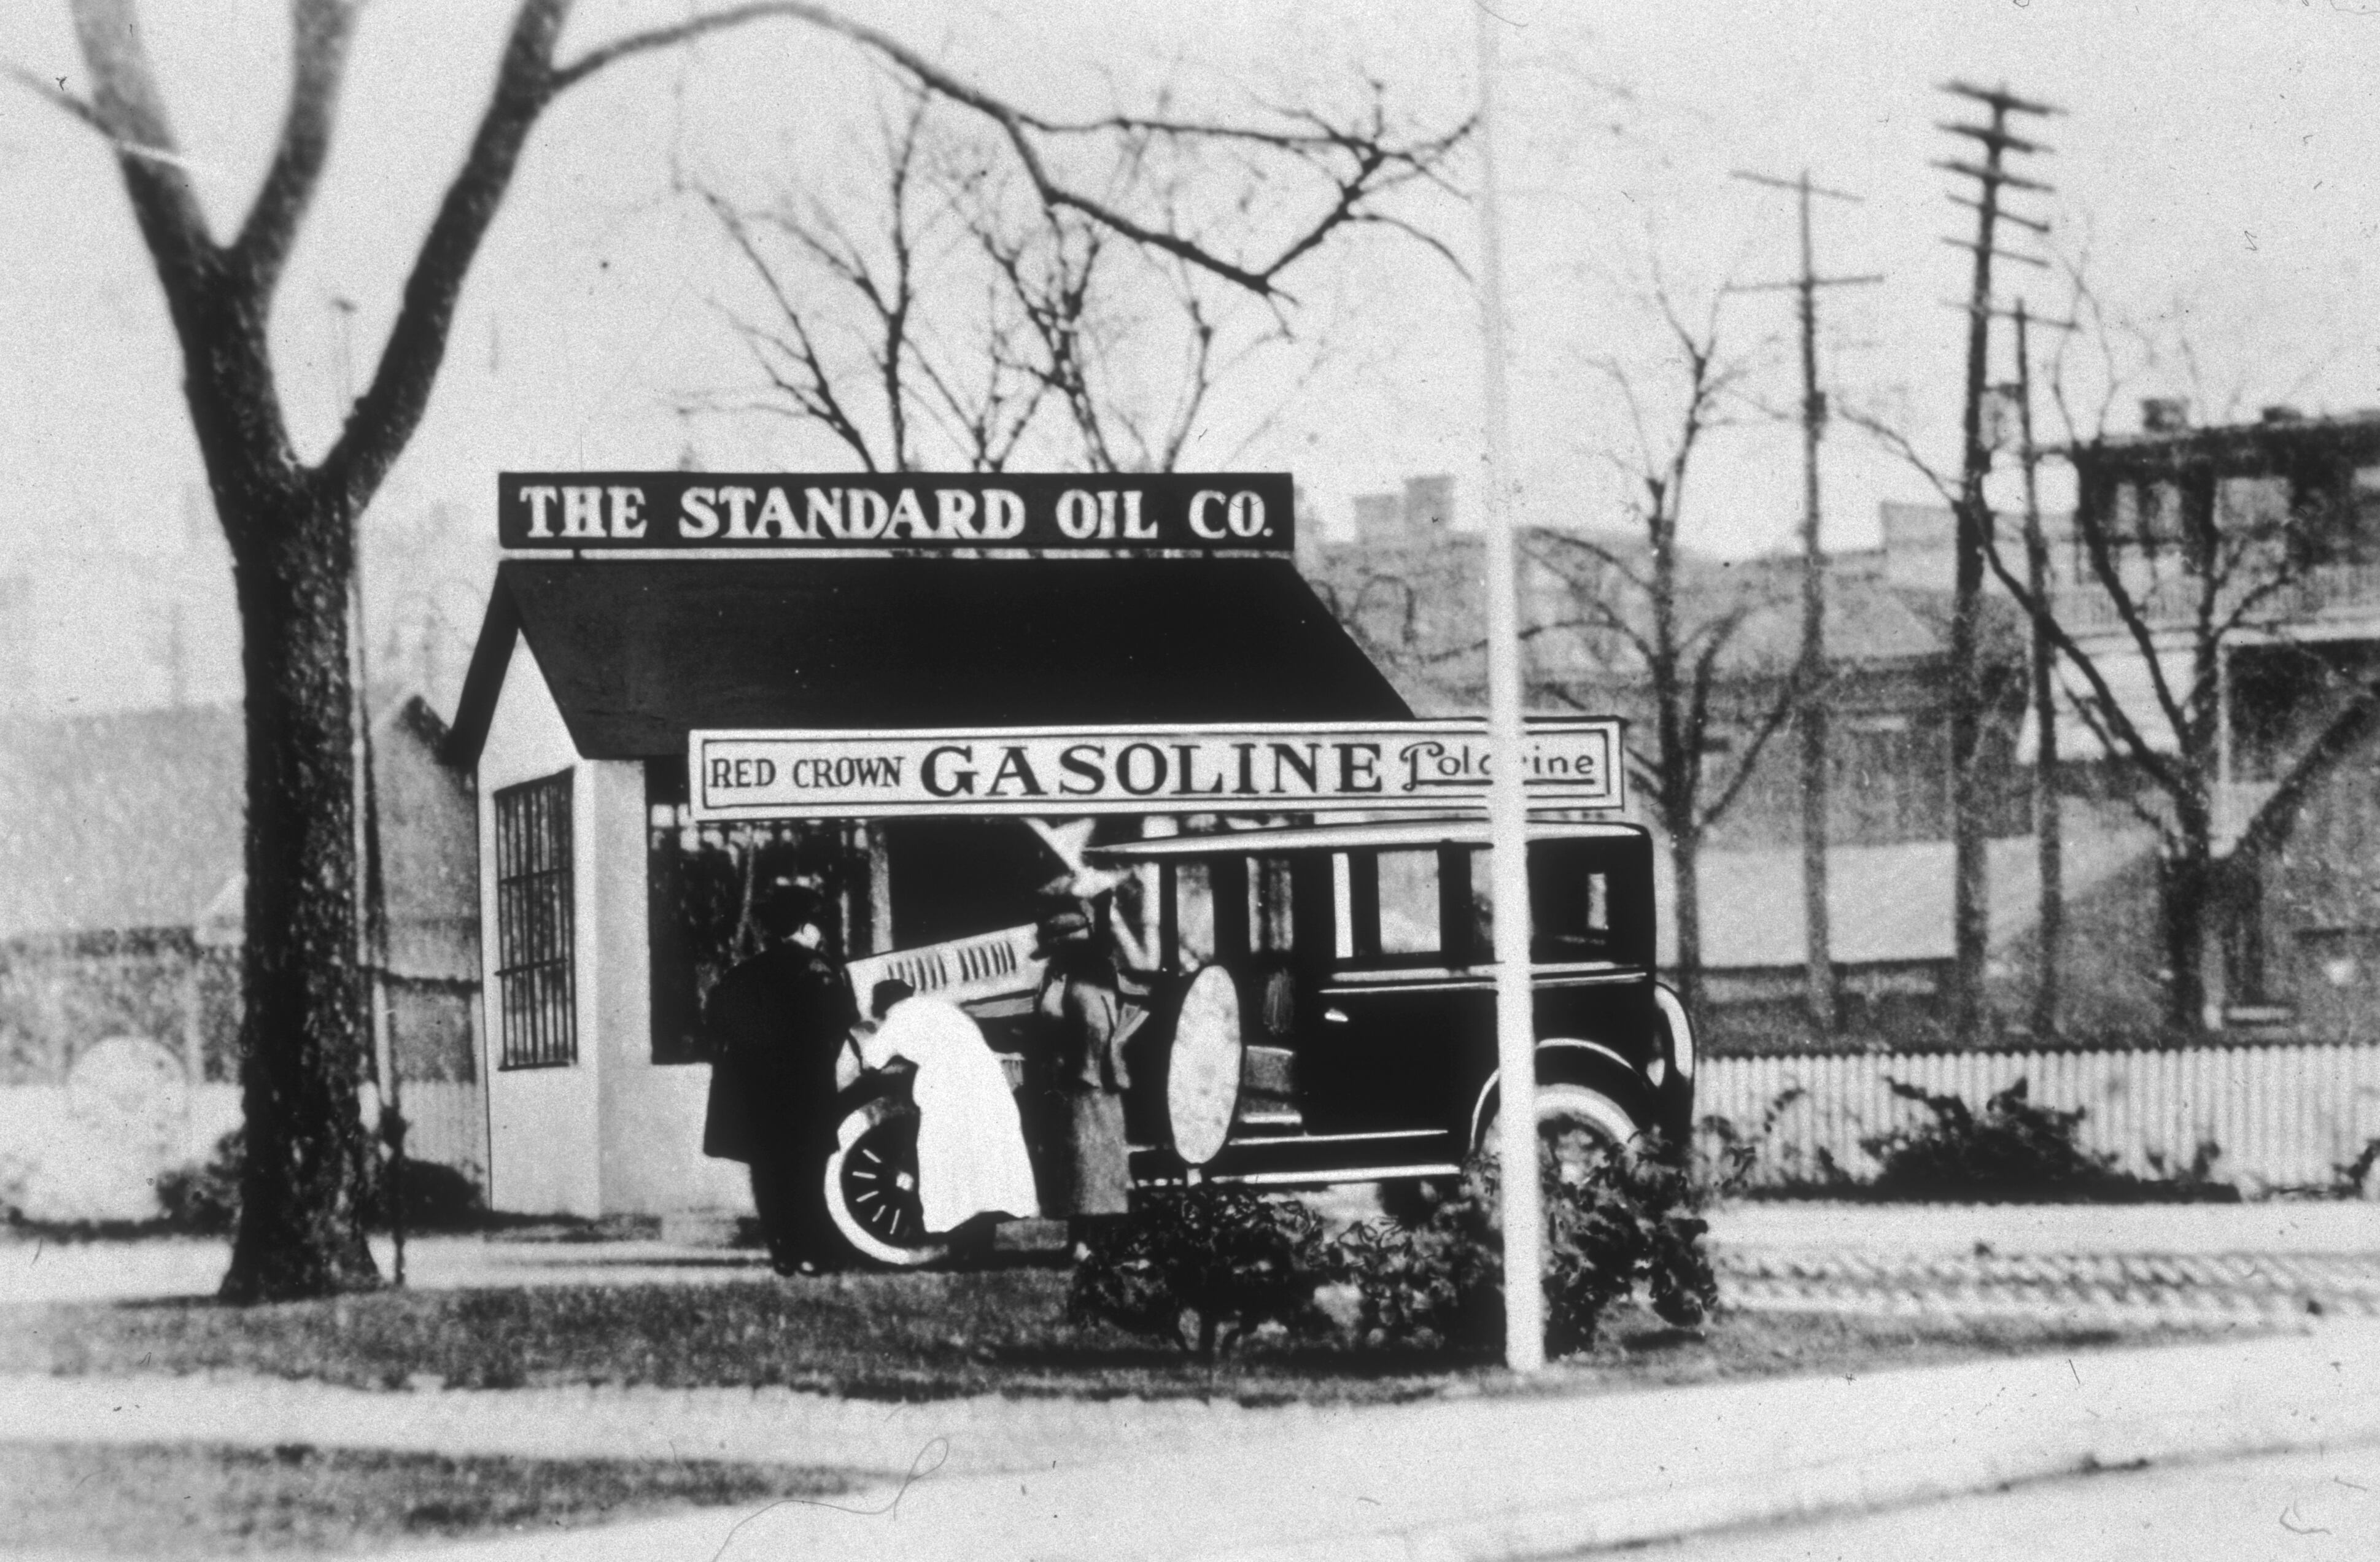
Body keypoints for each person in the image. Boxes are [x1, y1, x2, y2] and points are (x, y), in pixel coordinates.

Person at [702, 876, 857, 1275]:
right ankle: (809, 1251)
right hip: (805, 1089)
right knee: (807, 1173)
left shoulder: (743, 973)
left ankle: (783, 1252)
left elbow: (716, 1022)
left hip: (756, 1096)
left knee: (768, 1175)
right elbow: (842, 1022)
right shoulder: (822, 971)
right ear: (807, 927)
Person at [855, 979, 1040, 1244]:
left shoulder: (898, 1017)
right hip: (987, 1080)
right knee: (985, 1163)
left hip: (950, 1089)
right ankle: (984, 1240)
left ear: (884, 1005)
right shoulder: (942, 1009)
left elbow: (872, 1060)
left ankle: (959, 1238)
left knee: (948, 1162)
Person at [1032, 897, 1144, 1241]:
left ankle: (1088, 1241)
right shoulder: (1073, 977)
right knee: (1081, 1163)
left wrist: (1081, 1067)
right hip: (1083, 1081)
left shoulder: (1085, 982)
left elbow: (1095, 1029)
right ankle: (1084, 1239)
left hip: (1086, 1081)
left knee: (1087, 1163)